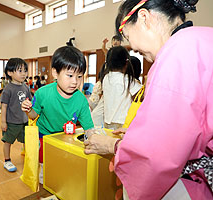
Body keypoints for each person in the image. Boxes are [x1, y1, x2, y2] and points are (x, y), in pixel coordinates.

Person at [84, 0, 213, 199]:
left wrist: (112, 146)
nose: (132, 47)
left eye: (127, 35)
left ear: (144, 18)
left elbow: (157, 156)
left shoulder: (177, 53)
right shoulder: (203, 37)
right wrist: (144, 133)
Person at [21, 46, 95, 183]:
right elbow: (33, 116)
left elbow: (89, 128)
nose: (75, 82)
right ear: (55, 73)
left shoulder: (81, 100)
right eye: (70, 75)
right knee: (44, 174)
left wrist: (95, 141)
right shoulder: (42, 93)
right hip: (44, 138)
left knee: (62, 173)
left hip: (65, 140)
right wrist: (28, 109)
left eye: (79, 76)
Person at [1, 58, 31, 172]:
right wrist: (3, 122)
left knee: (26, 140)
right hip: (11, 122)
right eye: (20, 71)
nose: (24, 73)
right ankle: (7, 160)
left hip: (24, 121)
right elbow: (3, 106)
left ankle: (29, 156)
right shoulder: (8, 89)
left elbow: (30, 102)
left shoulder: (25, 87)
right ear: (10, 73)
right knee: (8, 141)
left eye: (25, 70)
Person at [103, 46, 142, 130]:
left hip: (107, 122)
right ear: (126, 63)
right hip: (122, 123)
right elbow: (141, 94)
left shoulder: (106, 78)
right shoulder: (127, 79)